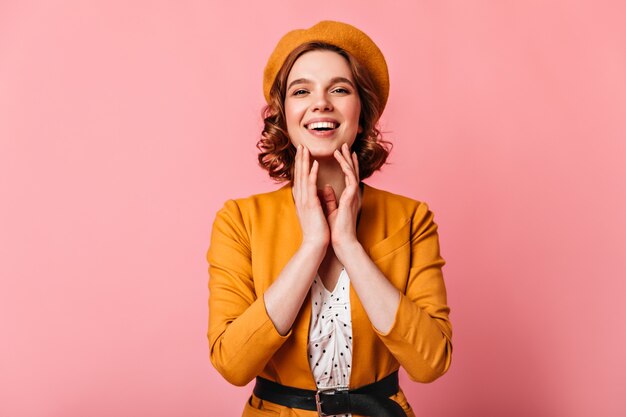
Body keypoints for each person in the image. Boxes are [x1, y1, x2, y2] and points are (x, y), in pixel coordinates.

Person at [207, 20, 452, 417]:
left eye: (339, 89)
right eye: (301, 91)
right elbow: (233, 365)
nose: (320, 103)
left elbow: (431, 363)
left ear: (362, 112)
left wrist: (350, 247)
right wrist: (312, 246)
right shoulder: (240, 220)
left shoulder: (412, 218)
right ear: (283, 114)